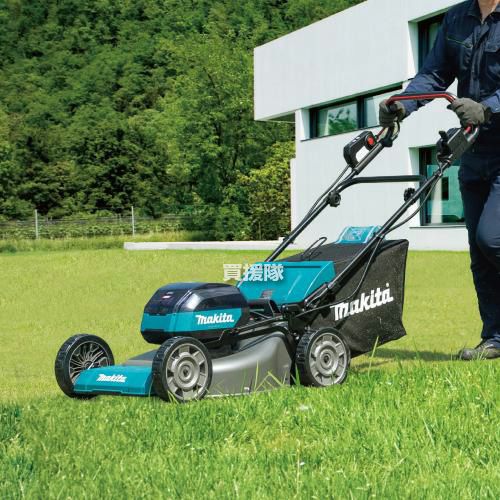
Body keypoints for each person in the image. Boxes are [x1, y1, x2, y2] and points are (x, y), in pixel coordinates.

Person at [379, 0, 500, 360]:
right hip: (472, 148)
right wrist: (403, 103)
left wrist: (488, 108)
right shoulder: (457, 18)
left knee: (492, 238)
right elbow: (434, 74)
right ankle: (495, 338)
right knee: (479, 253)